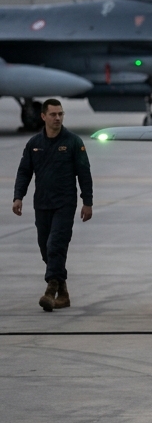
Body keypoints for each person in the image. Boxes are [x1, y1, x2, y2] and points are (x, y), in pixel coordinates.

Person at [12, 99, 93, 312]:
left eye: (60, 114)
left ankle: (50, 290)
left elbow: (84, 173)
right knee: (45, 249)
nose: (57, 118)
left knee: (55, 245)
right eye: (53, 114)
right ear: (43, 116)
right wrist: (18, 196)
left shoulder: (74, 142)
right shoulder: (34, 144)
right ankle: (63, 292)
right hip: (42, 203)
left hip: (65, 204)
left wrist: (87, 202)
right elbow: (24, 171)